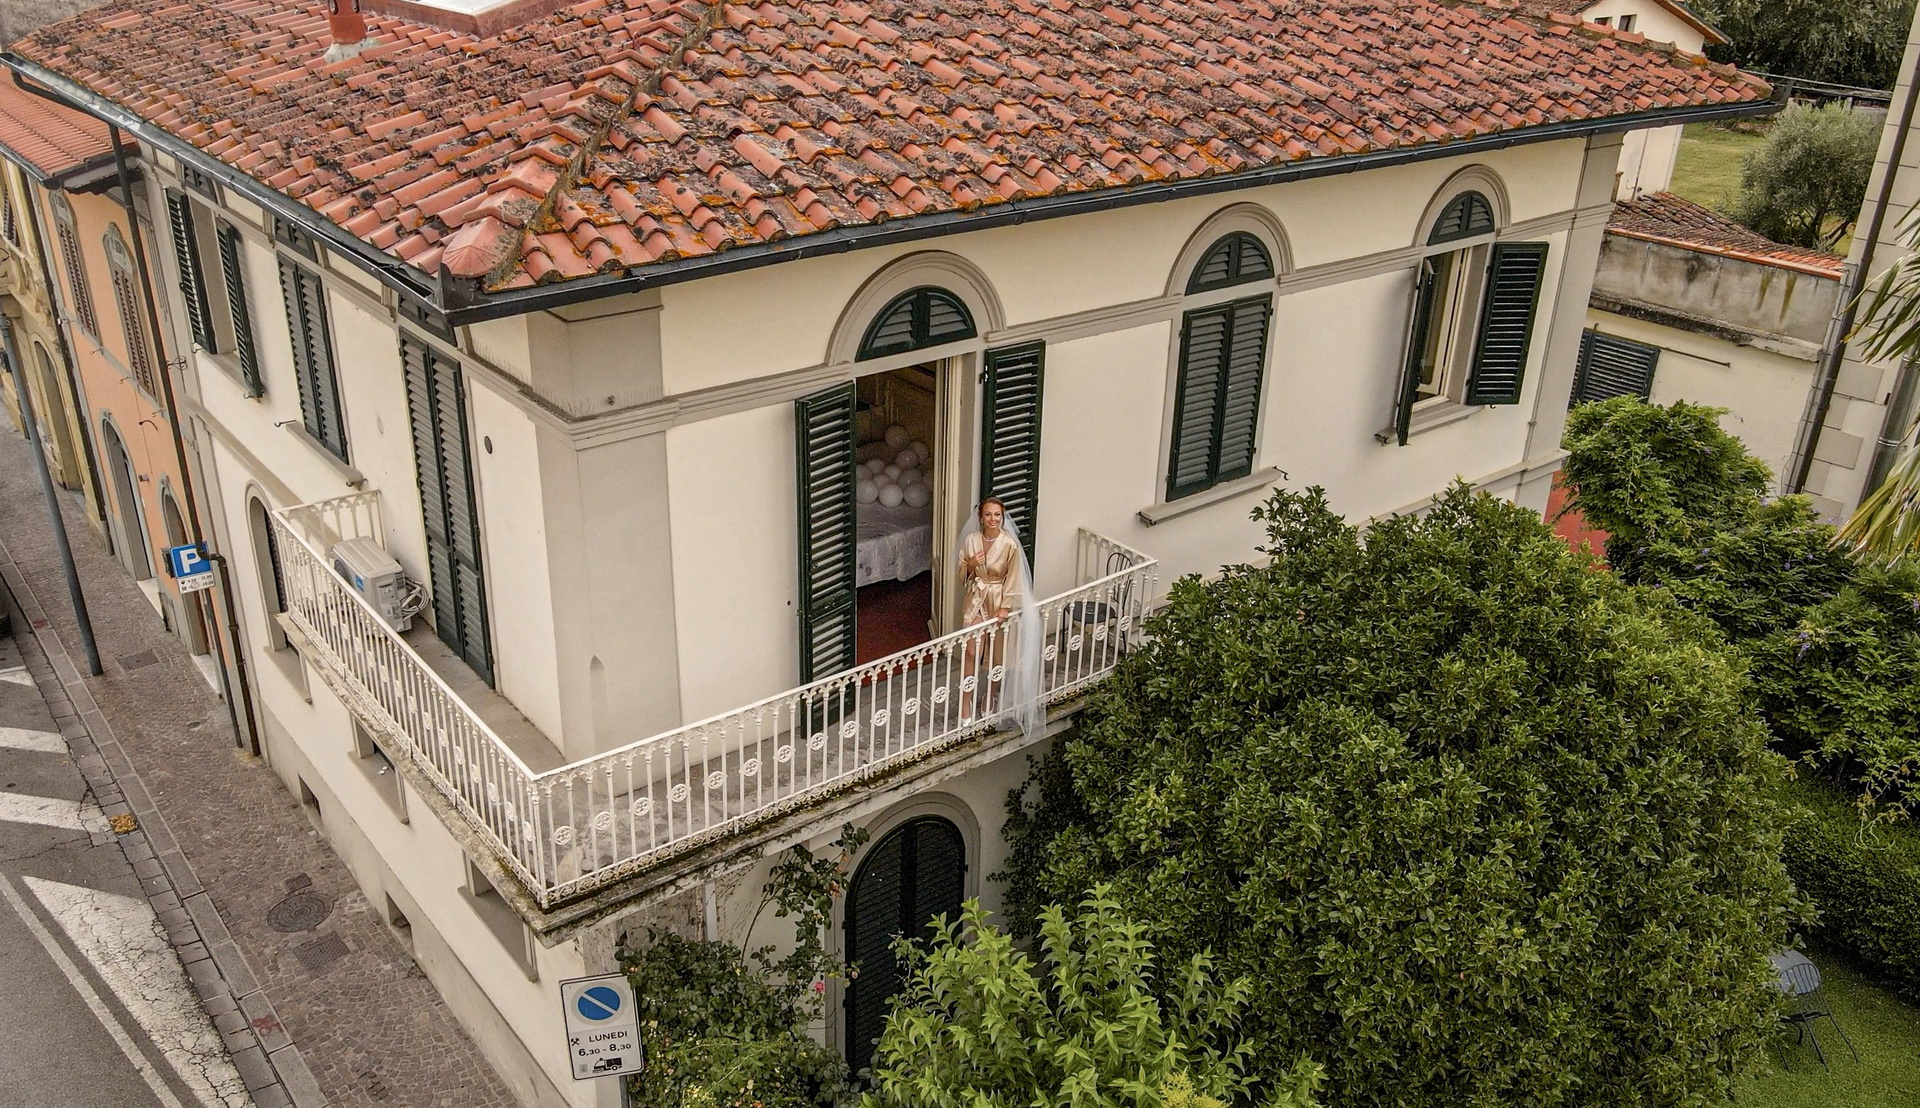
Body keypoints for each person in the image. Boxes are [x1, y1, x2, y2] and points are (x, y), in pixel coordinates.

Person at [955, 498, 1042, 733]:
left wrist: (1005, 607)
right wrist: (971, 564)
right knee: (971, 651)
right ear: (981, 517)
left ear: (1002, 517)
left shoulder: (1009, 544)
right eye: (988, 514)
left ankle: (990, 695)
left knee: (996, 653)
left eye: (997, 515)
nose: (992, 519)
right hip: (976, 599)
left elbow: (1013, 579)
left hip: (998, 600)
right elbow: (962, 573)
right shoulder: (971, 540)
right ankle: (965, 701)